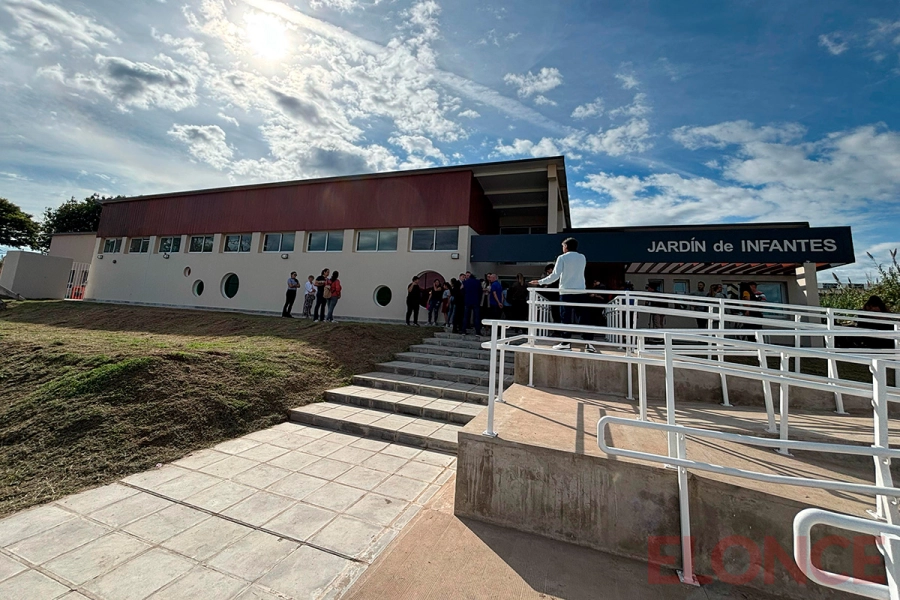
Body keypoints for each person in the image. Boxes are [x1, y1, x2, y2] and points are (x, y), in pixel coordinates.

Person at [530, 237, 595, 353]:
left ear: (566, 246)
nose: (562, 248)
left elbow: (555, 275)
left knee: (565, 317)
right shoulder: (582, 257)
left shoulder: (562, 258)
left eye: (563, 246)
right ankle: (589, 343)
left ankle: (566, 342)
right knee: (584, 317)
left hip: (566, 291)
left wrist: (539, 282)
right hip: (580, 290)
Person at [462, 270, 483, 335]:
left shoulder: (465, 282)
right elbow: (480, 292)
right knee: (476, 317)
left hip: (467, 301)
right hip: (475, 301)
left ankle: (463, 330)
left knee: (466, 316)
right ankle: (477, 331)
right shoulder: (478, 282)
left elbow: (463, 292)